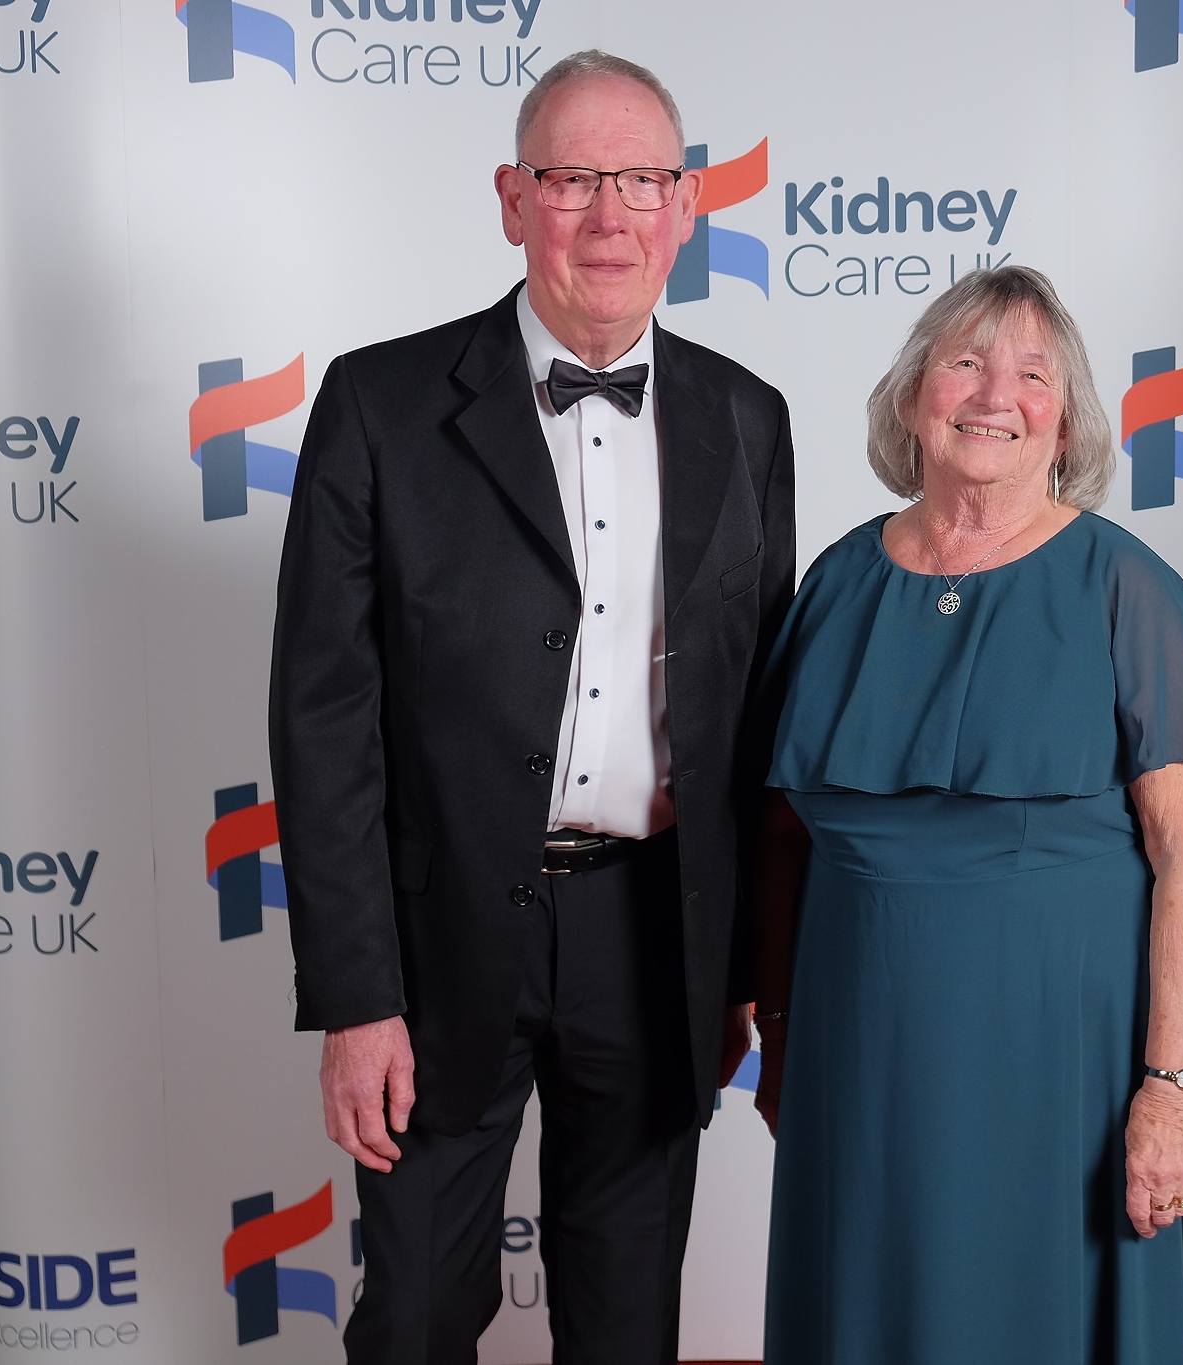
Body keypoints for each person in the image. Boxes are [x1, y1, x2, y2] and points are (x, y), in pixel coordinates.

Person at [268, 49, 795, 1365]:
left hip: (655, 934)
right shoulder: (379, 406)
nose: (609, 216)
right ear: (513, 199)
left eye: (642, 182)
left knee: (626, 1325)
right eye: (570, 179)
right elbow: (324, 719)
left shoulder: (750, 420)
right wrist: (354, 996)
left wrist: (745, 977)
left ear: (686, 207)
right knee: (416, 1322)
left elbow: (757, 722)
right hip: (437, 941)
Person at [750, 266, 1183, 1365]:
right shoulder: (836, 584)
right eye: (965, 362)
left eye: (1032, 375)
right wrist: (777, 1035)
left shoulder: (1128, 591)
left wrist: (1175, 1096)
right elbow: (782, 841)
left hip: (1056, 1077)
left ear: (1063, 420)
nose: (994, 394)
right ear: (913, 397)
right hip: (857, 1065)